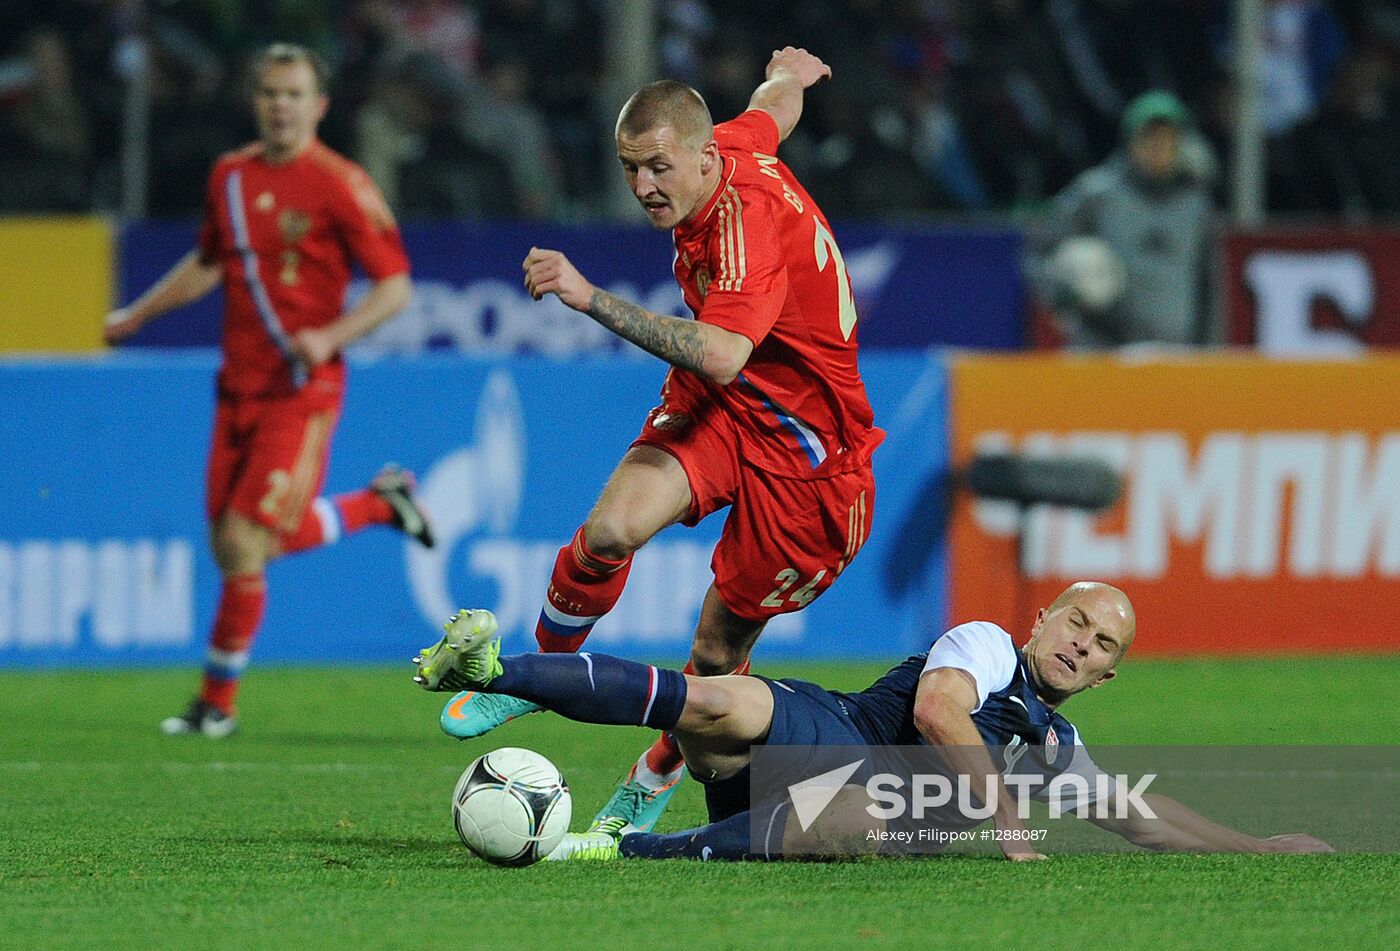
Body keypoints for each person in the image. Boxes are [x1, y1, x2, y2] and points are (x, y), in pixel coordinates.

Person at [439, 47, 884, 831]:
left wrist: (588, 297)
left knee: (714, 657)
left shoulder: (746, 226)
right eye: (630, 167)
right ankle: (536, 676)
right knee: (610, 530)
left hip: (810, 460)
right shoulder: (729, 144)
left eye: (657, 167)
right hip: (726, 409)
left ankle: (651, 779)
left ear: (702, 158)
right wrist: (795, 75)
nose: (643, 185)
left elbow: (721, 351)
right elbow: (771, 109)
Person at [411, 583, 1333, 861]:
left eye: (1100, 646)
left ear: (1107, 674)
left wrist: (1259, 847)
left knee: (863, 815)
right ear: (1042, 619)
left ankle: (621, 849)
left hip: (851, 808)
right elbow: (936, 710)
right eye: (1076, 623)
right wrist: (1008, 821)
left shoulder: (1058, 749)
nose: (1080, 645)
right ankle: (499, 671)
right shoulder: (987, 647)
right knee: (719, 696)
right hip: (837, 729)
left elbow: (1142, 816)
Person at [104, 43, 433, 737]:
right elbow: (209, 263)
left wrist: (331, 335)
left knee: (245, 539)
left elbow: (396, 287)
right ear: (255, 103)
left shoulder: (341, 183)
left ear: (319, 106)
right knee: (232, 549)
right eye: (269, 93)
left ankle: (215, 706)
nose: (281, 106)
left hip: (301, 388)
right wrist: (139, 313)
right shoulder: (230, 175)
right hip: (237, 389)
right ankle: (378, 505)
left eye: (294, 94)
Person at [1026, 90, 1217, 349]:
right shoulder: (1097, 194)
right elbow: (1038, 252)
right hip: (1103, 351)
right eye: (1150, 137)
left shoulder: (1195, 204)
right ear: (1130, 142)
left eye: (1168, 138)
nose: (1159, 147)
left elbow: (1208, 285)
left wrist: (1209, 350)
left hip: (1175, 354)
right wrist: (1063, 294)